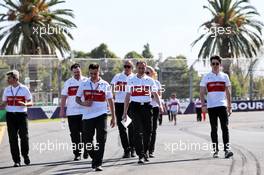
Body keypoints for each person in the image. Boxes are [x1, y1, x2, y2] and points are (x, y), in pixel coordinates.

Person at [76, 63, 116, 171]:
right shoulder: (84, 83)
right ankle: (95, 157)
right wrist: (84, 103)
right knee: (87, 141)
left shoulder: (105, 84)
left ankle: (98, 163)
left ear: (99, 72)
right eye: (91, 73)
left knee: (101, 139)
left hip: (101, 115)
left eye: (95, 73)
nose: (93, 75)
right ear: (89, 72)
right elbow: (77, 99)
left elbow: (111, 101)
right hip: (87, 116)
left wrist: (113, 117)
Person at [122, 61, 163, 164]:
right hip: (135, 107)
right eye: (139, 68)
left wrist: (160, 105)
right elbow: (127, 96)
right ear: (136, 68)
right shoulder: (131, 80)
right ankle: (140, 154)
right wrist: (125, 112)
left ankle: (145, 152)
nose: (141, 70)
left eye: (143, 68)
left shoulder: (150, 81)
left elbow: (155, 94)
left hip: (147, 107)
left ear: (145, 68)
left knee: (148, 131)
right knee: (137, 131)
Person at [200, 55, 233, 159]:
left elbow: (228, 92)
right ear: (210, 64)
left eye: (217, 63)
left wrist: (229, 106)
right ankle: (215, 151)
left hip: (222, 105)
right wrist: (203, 105)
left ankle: (227, 150)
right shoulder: (206, 76)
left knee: (225, 128)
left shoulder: (225, 76)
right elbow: (201, 92)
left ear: (220, 64)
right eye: (213, 63)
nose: (215, 65)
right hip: (211, 106)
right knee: (214, 129)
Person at [2, 70, 33, 167]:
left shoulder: (24, 89)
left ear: (15, 78)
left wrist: (25, 104)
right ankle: (16, 160)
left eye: (9, 78)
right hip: (10, 115)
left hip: (22, 115)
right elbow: (4, 103)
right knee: (12, 138)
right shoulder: (7, 90)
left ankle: (25, 155)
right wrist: (1, 105)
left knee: (24, 137)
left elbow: (31, 103)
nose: (7, 79)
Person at [59, 63, 88, 161]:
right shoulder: (68, 83)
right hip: (72, 113)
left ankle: (86, 150)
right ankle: (77, 154)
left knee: (86, 133)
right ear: (72, 72)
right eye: (75, 72)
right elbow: (63, 97)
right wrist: (62, 110)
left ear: (81, 71)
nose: (77, 73)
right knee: (74, 134)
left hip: (85, 112)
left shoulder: (87, 81)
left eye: (78, 71)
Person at [111, 60, 135, 158]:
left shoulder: (134, 77)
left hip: (131, 104)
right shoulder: (117, 76)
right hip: (119, 104)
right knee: (122, 128)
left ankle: (133, 148)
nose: (127, 68)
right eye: (125, 66)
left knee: (131, 127)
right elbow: (111, 88)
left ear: (132, 67)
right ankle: (126, 150)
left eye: (129, 66)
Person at [145, 66, 162, 158]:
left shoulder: (157, 83)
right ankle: (145, 149)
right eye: (146, 72)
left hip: (154, 107)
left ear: (153, 74)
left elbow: (158, 95)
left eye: (148, 73)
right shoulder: (142, 82)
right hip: (145, 107)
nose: (147, 74)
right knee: (146, 129)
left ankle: (151, 150)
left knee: (153, 129)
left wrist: (160, 106)